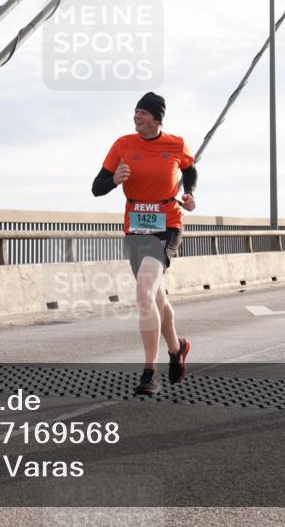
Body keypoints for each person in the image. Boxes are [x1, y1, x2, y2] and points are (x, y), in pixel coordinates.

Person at [92, 92, 197, 395]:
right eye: (135, 112)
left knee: (143, 293)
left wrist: (189, 192)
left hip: (167, 225)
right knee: (157, 297)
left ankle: (149, 373)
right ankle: (177, 348)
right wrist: (114, 181)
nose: (136, 117)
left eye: (142, 113)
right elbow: (97, 187)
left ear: (156, 118)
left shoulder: (176, 144)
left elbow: (189, 168)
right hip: (135, 227)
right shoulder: (123, 145)